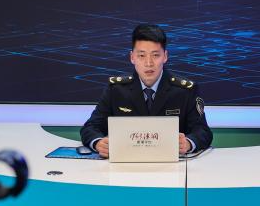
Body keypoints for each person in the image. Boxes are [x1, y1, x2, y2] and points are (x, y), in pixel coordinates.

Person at [81, 24, 213, 158]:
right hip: (126, 163)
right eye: (141, 55)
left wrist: (188, 143)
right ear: (132, 57)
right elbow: (90, 127)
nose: (148, 63)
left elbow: (203, 131)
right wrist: (98, 143)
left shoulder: (185, 90)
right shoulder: (116, 90)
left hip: (172, 165)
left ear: (165, 56)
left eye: (155, 55)